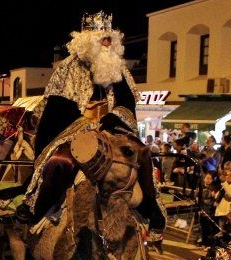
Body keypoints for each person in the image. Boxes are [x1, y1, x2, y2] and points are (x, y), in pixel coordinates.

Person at [24, 11, 165, 247]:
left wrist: (113, 118)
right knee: (61, 162)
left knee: (141, 153)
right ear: (87, 41)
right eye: (102, 38)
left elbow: (127, 103)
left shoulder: (120, 71)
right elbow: (57, 109)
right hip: (75, 129)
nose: (107, 43)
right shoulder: (68, 68)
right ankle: (38, 210)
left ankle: (153, 212)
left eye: (110, 38)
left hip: (114, 130)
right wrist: (84, 123)